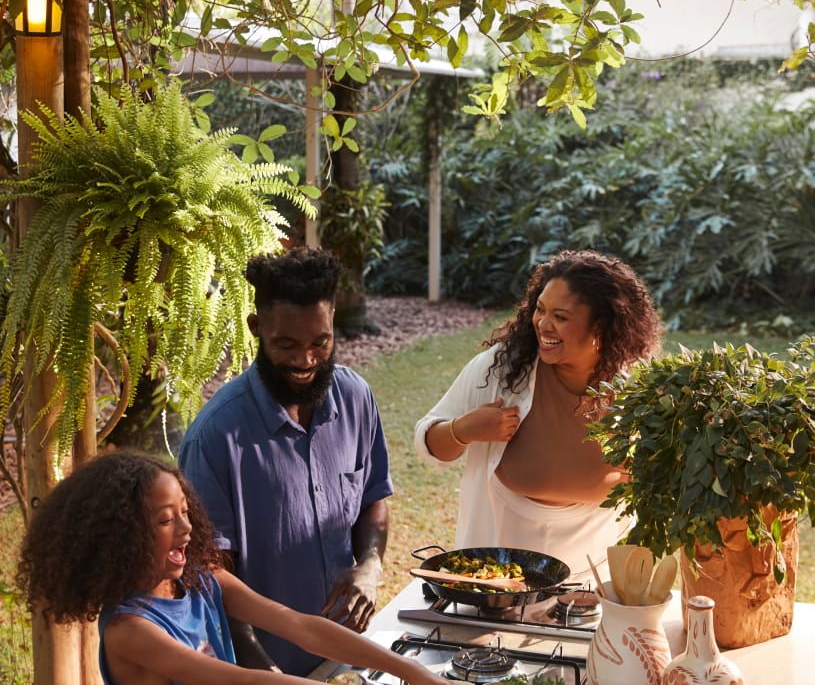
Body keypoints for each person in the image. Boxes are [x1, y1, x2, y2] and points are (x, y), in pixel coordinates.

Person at [17, 452, 441, 685]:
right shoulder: (130, 630)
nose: (186, 528)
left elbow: (301, 627)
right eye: (166, 520)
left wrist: (411, 671)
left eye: (185, 511)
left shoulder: (203, 579)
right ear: (120, 536)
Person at [179, 247, 392, 675]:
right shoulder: (215, 437)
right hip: (263, 667)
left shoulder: (355, 398)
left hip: (346, 654)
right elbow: (209, 574)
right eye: (287, 345)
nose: (306, 360)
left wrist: (369, 565)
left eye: (321, 342)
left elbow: (373, 499)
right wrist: (264, 672)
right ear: (256, 328)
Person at [414, 249, 663, 582]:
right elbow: (428, 444)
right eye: (540, 310)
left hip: (596, 577)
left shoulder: (637, 392)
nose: (543, 324)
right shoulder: (502, 369)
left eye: (560, 316)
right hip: (497, 574)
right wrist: (464, 429)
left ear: (602, 325)